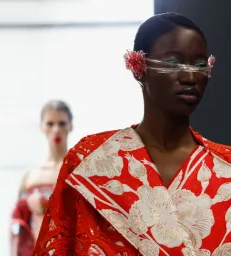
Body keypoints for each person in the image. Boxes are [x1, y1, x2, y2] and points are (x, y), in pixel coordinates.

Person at [33, 13, 231, 256]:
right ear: (139, 68)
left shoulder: (226, 167)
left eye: (200, 66)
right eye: (171, 63)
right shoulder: (91, 161)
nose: (190, 77)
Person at [10, 100, 73, 256]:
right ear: (42, 126)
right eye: (50, 124)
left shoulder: (78, 171)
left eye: (62, 123)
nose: (56, 129)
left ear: (70, 126)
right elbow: (18, 227)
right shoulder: (30, 176)